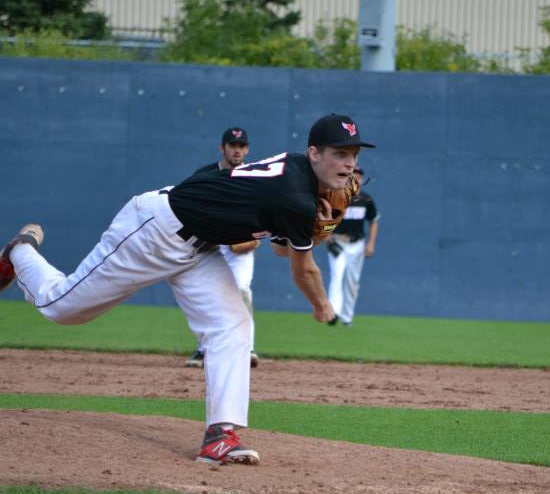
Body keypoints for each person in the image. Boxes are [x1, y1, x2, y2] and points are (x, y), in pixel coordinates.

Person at [0, 113, 375, 466]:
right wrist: (322, 306)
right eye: (339, 153)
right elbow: (302, 269)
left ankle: (220, 437)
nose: (349, 163)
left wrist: (316, 228)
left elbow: (280, 247)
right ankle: (19, 252)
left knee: (233, 325)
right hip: (155, 232)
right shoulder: (294, 196)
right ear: (314, 153)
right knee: (64, 309)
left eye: (354, 155)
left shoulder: (299, 178)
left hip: (202, 248)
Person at [185, 126, 259, 370]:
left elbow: (262, 217)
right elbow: (189, 206)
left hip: (240, 246)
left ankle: (247, 348)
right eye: (232, 145)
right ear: (222, 148)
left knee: (242, 289)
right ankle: (204, 348)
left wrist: (252, 239)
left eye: (241, 146)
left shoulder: (255, 177)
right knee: (206, 296)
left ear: (247, 149)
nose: (237, 150)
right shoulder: (205, 175)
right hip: (211, 245)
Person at [326, 166, 380, 326]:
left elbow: (374, 221)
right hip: (338, 242)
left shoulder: (366, 200)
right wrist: (326, 236)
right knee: (336, 276)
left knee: (352, 281)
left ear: (362, 180)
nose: (355, 179)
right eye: (352, 176)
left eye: (358, 176)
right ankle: (333, 313)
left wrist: (371, 244)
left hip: (357, 244)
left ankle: (347, 318)